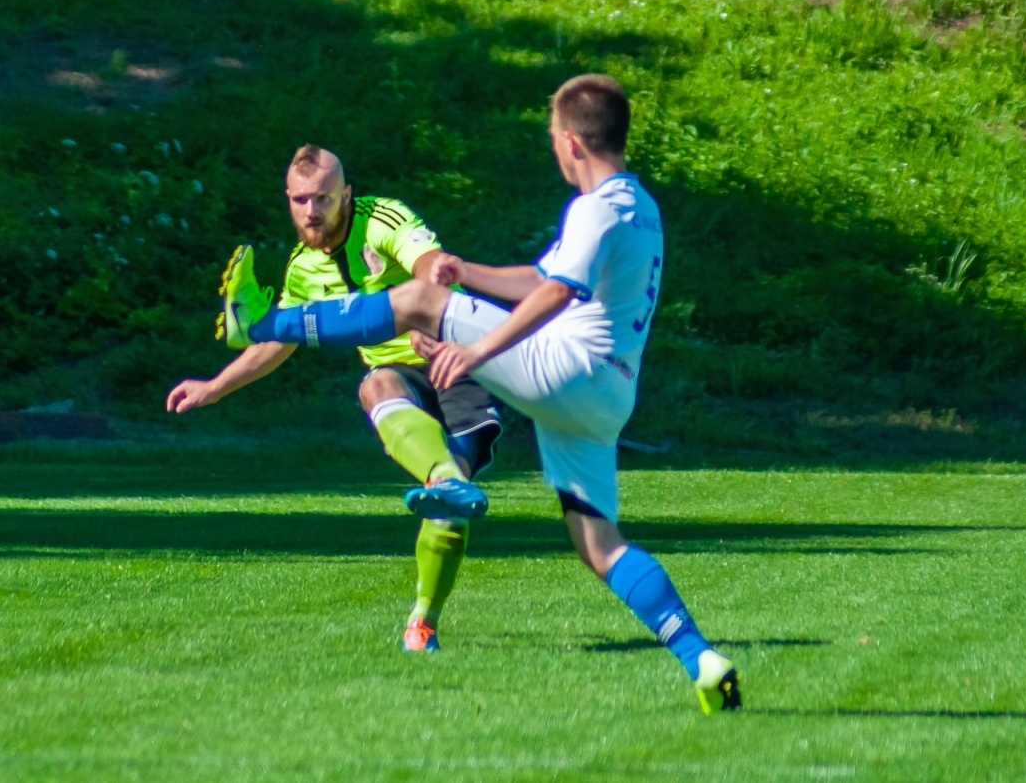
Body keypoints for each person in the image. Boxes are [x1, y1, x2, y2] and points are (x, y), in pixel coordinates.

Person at [217, 75, 740, 714]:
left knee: (418, 303)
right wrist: (469, 274)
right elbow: (542, 276)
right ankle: (703, 660)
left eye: (553, 138)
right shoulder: (639, 207)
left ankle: (261, 319)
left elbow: (555, 295)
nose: (554, 149)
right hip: (606, 399)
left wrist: (478, 349)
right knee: (599, 546)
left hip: (567, 367)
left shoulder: (595, 207)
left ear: (572, 142)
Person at [168, 145, 501, 652]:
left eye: (322, 197)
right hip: (397, 375)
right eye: (300, 200)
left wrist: (424, 307)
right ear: (288, 199)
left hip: (457, 363)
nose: (311, 210)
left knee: (447, 513)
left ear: (345, 193)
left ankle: (424, 613)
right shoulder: (302, 267)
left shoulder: (381, 219)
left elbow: (431, 265)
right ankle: (423, 620)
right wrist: (216, 387)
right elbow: (283, 342)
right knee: (376, 387)